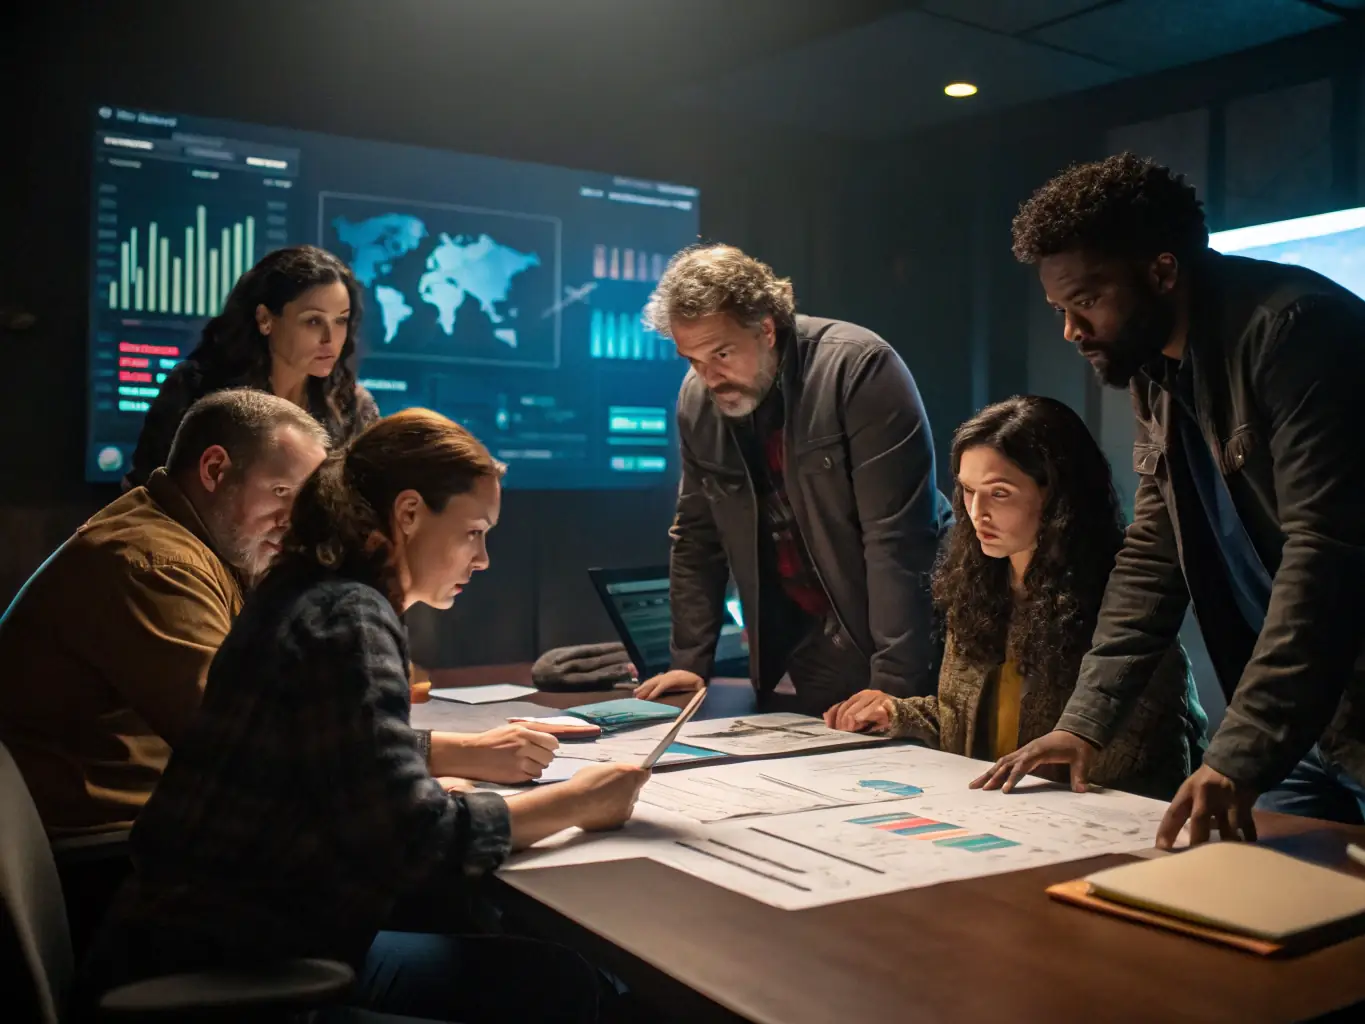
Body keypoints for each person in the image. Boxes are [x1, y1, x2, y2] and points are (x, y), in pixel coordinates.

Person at [80, 409, 650, 1023]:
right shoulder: (350, 617)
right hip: (231, 974)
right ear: (408, 514)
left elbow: (348, 783)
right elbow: (413, 844)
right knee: (563, 989)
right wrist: (580, 803)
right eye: (473, 532)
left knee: (557, 979)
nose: (483, 559)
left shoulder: (309, 590)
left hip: (219, 943)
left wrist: (426, 785)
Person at [975, 153, 1365, 847]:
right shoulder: (1156, 368)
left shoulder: (1296, 330)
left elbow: (1324, 556)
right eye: (1058, 309)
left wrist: (1237, 754)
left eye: (1087, 301)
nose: (1070, 330)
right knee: (1271, 907)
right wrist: (1082, 724)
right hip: (1304, 720)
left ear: (1160, 271)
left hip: (1336, 693)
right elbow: (1154, 556)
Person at [824, 396, 1205, 800]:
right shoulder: (980, 586)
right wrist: (894, 714)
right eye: (968, 491)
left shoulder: (1123, 604)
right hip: (995, 814)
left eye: (999, 493)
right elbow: (967, 728)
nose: (975, 513)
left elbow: (1142, 758)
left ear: (1057, 495)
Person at [634, 244, 950, 715]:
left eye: (721, 353)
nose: (709, 377)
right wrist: (690, 662)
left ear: (764, 328)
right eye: (692, 360)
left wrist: (895, 682)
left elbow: (898, 539)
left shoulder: (857, 367)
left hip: (918, 633)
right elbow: (697, 537)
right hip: (815, 641)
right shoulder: (697, 401)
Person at [0, 389, 328, 835]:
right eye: (280, 492)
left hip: (155, 824)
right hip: (108, 853)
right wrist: (416, 755)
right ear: (214, 469)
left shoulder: (198, 541)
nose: (292, 520)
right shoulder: (158, 565)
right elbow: (244, 744)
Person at [124, 244, 379, 490]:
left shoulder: (353, 407)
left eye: (340, 321)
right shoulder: (195, 389)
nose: (330, 339)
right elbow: (145, 493)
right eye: (313, 321)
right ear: (265, 319)